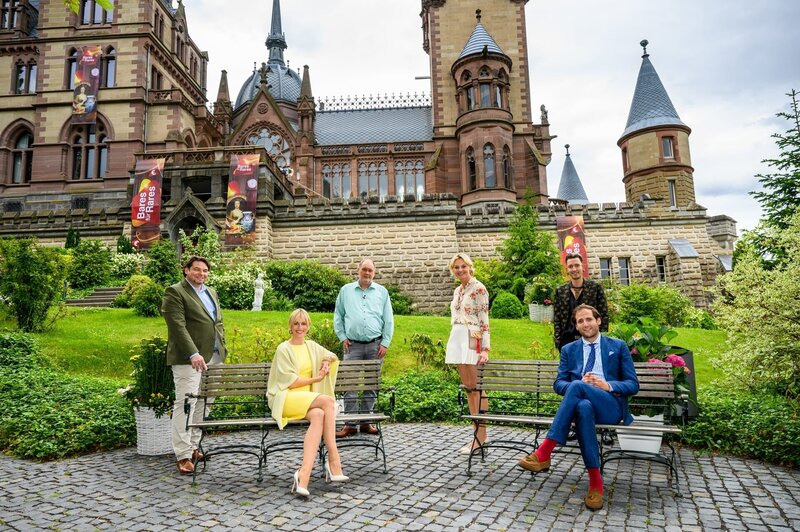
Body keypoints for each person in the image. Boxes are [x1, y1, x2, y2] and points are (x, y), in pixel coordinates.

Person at [517, 304, 639, 510]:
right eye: (580, 321)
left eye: (589, 319)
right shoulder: (569, 350)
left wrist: (606, 385)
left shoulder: (617, 346)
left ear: (598, 321)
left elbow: (632, 384)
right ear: (576, 326)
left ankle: (544, 452)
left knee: (577, 387)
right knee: (582, 407)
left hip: (610, 406)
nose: (585, 324)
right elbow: (559, 383)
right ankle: (595, 485)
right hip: (584, 405)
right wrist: (581, 384)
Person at [267, 309, 347, 497]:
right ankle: (334, 462)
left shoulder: (311, 346)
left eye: (303, 324)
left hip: (306, 400)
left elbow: (332, 355)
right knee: (327, 401)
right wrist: (317, 379)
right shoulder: (283, 349)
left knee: (319, 414)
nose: (300, 327)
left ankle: (303, 476)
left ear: (308, 326)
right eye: (296, 324)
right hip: (286, 397)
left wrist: (326, 361)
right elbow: (291, 382)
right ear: (290, 326)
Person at [161, 256, 227, 476]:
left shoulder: (211, 292)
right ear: (186, 270)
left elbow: (217, 322)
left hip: (214, 356)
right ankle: (182, 455)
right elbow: (177, 326)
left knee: (204, 403)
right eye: (197, 269)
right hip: (189, 359)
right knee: (186, 404)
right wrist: (193, 353)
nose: (202, 273)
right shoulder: (175, 292)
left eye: (205, 270)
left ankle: (194, 446)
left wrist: (222, 346)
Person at [333, 258, 394, 438]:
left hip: (376, 345)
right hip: (352, 346)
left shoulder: (382, 292)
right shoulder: (346, 291)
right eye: (364, 269)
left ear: (374, 273)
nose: (367, 273)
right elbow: (338, 315)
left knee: (371, 385)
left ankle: (367, 422)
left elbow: (389, 319)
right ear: (358, 270)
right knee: (350, 385)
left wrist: (386, 342)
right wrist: (342, 336)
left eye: (370, 270)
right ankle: (350, 424)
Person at [444, 252, 490, 454]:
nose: (460, 270)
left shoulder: (479, 288)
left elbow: (484, 319)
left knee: (477, 388)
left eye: (463, 266)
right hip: (457, 338)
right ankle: (476, 435)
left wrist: (485, 348)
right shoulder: (457, 290)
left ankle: (481, 436)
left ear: (470, 267)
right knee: (469, 388)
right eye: (456, 267)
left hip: (473, 340)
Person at [553, 253, 609, 351]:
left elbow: (603, 314)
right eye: (570, 266)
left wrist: (601, 338)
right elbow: (557, 318)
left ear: (582, 267)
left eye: (577, 265)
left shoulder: (595, 288)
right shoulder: (560, 291)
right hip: (567, 341)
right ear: (567, 270)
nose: (574, 269)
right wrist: (558, 340)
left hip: (591, 338)